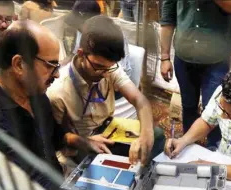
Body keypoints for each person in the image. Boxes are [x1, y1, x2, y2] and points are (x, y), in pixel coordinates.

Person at [0, 20, 165, 190]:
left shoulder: (35, 96)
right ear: (19, 64)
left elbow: (55, 136)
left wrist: (84, 141)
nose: (57, 72)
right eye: (51, 65)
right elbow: (31, 180)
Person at [48, 15, 165, 167]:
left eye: (109, 67)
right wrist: (84, 141)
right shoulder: (58, 91)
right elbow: (55, 136)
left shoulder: (109, 69)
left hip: (109, 128)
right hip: (82, 141)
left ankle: (144, 177)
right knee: (104, 165)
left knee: (156, 136)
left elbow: (140, 101)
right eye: (98, 67)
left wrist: (145, 136)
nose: (104, 73)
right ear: (81, 54)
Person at [160, 0, 231, 150]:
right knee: (188, 106)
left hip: (217, 58)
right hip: (185, 56)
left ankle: (213, 149)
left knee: (216, 108)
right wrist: (164, 57)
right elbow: (168, 17)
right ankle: (187, 146)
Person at [65, 0, 132, 79]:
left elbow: (119, 71)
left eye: (80, 23)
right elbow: (75, 55)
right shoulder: (81, 30)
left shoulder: (113, 36)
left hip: (114, 80)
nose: (77, 27)